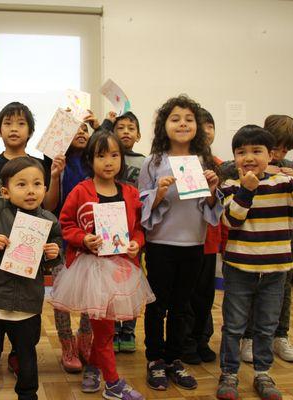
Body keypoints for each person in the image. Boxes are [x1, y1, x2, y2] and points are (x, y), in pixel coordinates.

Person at [216, 125, 293, 400]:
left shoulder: (286, 184)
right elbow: (231, 220)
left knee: (266, 325)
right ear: (235, 157)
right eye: (241, 152)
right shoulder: (231, 186)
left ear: (271, 155)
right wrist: (248, 191)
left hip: (276, 269)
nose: (249, 157)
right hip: (240, 267)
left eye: (257, 151)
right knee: (234, 325)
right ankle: (228, 374)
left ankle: (263, 374)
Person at [50, 130, 155, 400]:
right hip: (91, 269)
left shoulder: (130, 193)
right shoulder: (81, 190)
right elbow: (66, 224)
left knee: (104, 328)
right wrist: (84, 238)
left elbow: (139, 229)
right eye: (100, 156)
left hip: (120, 268)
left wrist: (136, 243)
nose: (108, 162)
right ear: (90, 160)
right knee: (105, 329)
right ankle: (113, 383)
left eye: (114, 155)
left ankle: (95, 368)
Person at [138, 95, 222, 391]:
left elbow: (210, 208)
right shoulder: (154, 161)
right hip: (161, 243)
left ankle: (174, 358)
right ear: (164, 125)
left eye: (189, 119)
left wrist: (212, 189)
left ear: (198, 126)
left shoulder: (204, 161)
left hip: (194, 244)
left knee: (182, 305)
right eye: (175, 118)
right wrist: (159, 192)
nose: (183, 123)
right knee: (156, 303)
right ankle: (154, 359)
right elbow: (142, 204)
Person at [0, 157, 62, 400]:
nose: (31, 190)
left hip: (27, 306)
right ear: (5, 191)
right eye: (22, 184)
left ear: (45, 188)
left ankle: (28, 395)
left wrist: (54, 253)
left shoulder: (49, 220)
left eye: (37, 184)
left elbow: (57, 252)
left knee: (27, 359)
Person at [42, 121, 93, 373]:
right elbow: (50, 205)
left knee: (92, 291)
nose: (81, 132)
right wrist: (53, 175)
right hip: (62, 237)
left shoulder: (95, 160)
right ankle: (67, 344)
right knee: (61, 293)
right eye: (74, 129)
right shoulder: (58, 164)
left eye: (85, 129)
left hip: (93, 239)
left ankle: (86, 338)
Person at [181, 107, 222, 364]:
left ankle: (202, 339)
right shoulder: (182, 161)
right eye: (201, 125)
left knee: (206, 297)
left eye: (210, 125)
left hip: (210, 241)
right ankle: (185, 343)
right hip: (187, 240)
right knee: (185, 296)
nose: (206, 130)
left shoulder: (219, 164)